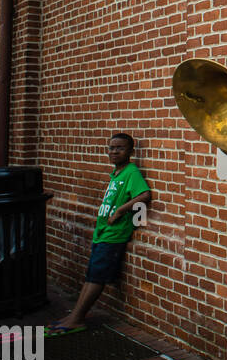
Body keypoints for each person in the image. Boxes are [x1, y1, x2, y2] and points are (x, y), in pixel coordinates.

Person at [48, 133, 152, 335]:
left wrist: (121, 211)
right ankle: (74, 315)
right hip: (102, 232)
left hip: (114, 235)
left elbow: (145, 195)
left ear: (131, 151)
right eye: (111, 148)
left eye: (120, 148)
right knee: (91, 276)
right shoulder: (116, 173)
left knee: (96, 279)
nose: (114, 151)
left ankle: (77, 319)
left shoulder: (131, 171)